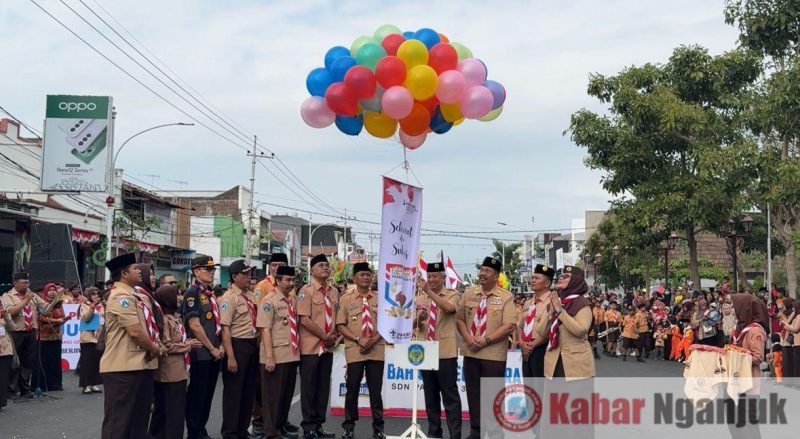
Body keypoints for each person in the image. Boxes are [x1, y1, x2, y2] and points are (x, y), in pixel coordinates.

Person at [100, 253, 163, 439]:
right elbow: (134, 331)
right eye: (135, 268)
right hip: (122, 367)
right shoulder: (120, 296)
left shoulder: (134, 295)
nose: (140, 271)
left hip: (138, 365)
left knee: (138, 420)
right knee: (118, 422)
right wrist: (154, 348)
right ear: (124, 274)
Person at [456, 257, 515, 439]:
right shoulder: (469, 293)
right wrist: (468, 338)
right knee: (473, 393)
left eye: (487, 271)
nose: (482, 273)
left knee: (494, 394)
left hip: (493, 355)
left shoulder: (506, 297)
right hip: (471, 352)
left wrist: (486, 340)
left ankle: (496, 432)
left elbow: (509, 325)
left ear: (496, 276)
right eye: (481, 270)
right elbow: (459, 319)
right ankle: (476, 430)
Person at [336, 262, 386, 439]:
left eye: (368, 274)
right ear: (354, 278)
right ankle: (349, 427)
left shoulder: (380, 299)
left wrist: (374, 340)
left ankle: (378, 427)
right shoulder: (346, 299)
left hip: (376, 349)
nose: (366, 277)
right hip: (355, 350)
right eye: (362, 275)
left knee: (376, 391)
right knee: (352, 390)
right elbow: (340, 325)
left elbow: (387, 324)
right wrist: (359, 339)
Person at [414, 261, 462, 439]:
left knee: (450, 395)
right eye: (429, 276)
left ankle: (455, 434)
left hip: (444, 351)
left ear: (443, 277)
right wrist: (419, 319)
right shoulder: (420, 298)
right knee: (430, 395)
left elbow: (450, 309)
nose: (431, 279)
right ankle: (434, 432)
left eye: (435, 276)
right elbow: (411, 324)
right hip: (425, 351)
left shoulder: (453, 294)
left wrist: (430, 292)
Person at [251, 252, 296, 438]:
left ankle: (280, 425)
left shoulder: (291, 298)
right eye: (288, 280)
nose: (291, 283)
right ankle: (268, 429)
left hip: (291, 352)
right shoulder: (267, 296)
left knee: (285, 395)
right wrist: (269, 356)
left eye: (293, 280)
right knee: (270, 396)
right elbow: (265, 328)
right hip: (274, 352)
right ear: (278, 280)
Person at [149, 284, 201, 439]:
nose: (180, 298)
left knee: (176, 412)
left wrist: (187, 342)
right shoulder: (164, 320)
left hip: (178, 371)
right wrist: (187, 345)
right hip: (168, 373)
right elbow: (165, 346)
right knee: (170, 412)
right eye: (177, 295)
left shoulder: (175, 317)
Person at [182, 255, 225, 439]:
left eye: (212, 269)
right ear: (196, 271)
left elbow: (216, 322)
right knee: (198, 395)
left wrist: (221, 345)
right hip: (202, 353)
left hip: (214, 352)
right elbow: (195, 325)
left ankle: (201, 428)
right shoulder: (192, 294)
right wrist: (212, 348)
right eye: (208, 269)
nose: (211, 272)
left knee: (208, 395)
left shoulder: (210, 293)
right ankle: (194, 431)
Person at [297, 254, 340, 439]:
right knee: (309, 388)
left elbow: (336, 318)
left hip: (328, 347)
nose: (326, 267)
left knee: (323, 388)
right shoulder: (305, 291)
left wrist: (335, 337)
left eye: (327, 265)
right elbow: (304, 319)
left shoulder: (334, 291)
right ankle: (308, 428)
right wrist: (324, 336)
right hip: (311, 347)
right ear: (312, 270)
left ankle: (319, 424)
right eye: (321, 265)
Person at [1, 272, 61, 398]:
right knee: (14, 362)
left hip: (31, 330)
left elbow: (45, 309)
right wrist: (26, 300)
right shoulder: (8, 296)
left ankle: (25, 388)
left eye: (28, 283)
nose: (26, 285)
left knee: (28, 362)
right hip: (16, 331)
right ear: (15, 283)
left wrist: (55, 303)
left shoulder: (33, 296)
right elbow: (11, 312)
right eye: (23, 283)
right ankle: (11, 390)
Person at [219, 260, 260, 439]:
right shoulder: (229, 297)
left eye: (249, 273)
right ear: (235, 277)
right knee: (233, 393)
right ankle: (230, 432)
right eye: (244, 274)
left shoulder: (250, 295)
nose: (248, 277)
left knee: (248, 391)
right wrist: (230, 356)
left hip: (252, 345)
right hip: (237, 345)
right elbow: (225, 328)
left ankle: (242, 430)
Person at [534, 265, 595, 378]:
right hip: (554, 361)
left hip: (576, 363)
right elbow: (541, 332)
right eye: (560, 276)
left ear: (575, 280)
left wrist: (560, 311)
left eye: (566, 276)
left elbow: (581, 330)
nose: (560, 278)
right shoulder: (557, 301)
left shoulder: (582, 303)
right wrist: (550, 313)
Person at [728, 293, 768, 439]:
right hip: (733, 380)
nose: (732, 309)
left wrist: (736, 356)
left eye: (734, 306)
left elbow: (758, 357)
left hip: (749, 382)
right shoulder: (737, 327)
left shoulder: (755, 330)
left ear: (743, 308)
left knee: (749, 423)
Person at [518, 264, 555, 378]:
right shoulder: (528, 303)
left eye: (537, 278)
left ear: (547, 283)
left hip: (542, 349)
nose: (532, 280)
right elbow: (520, 326)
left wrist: (532, 345)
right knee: (529, 389)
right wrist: (521, 343)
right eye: (532, 278)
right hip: (525, 348)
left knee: (540, 388)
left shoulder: (553, 302)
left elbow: (552, 329)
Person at [35, 283, 67, 391]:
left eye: (54, 290)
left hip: (56, 335)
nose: (52, 292)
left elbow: (62, 316)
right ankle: (43, 386)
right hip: (44, 337)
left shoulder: (59, 304)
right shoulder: (41, 303)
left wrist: (63, 320)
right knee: (44, 361)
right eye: (50, 290)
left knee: (55, 361)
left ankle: (55, 385)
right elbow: (40, 317)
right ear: (45, 291)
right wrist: (55, 321)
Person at [79, 286, 104, 394]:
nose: (96, 296)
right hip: (88, 338)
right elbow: (86, 317)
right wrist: (92, 306)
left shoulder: (102, 306)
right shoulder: (84, 306)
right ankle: (86, 385)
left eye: (98, 294)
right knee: (87, 362)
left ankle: (94, 383)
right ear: (89, 296)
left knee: (96, 362)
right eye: (93, 294)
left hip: (98, 337)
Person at [779, 300, 800, 379]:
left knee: (795, 364)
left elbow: (795, 328)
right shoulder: (795, 315)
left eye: (794, 307)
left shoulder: (798, 316)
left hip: (796, 343)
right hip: (793, 342)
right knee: (792, 363)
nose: (793, 309)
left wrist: (785, 324)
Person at [0, 298, 13, 410]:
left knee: (3, 376)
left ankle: (1, 402)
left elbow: (12, 326)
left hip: (4, 348)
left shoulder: (2, 303)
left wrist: (6, 315)